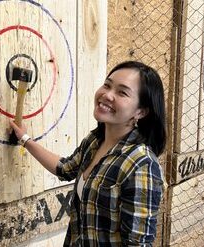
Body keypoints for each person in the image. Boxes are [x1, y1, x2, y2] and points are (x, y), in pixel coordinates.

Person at [10, 60, 167, 246]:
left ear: (141, 112)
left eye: (122, 92)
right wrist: (25, 139)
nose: (107, 95)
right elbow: (65, 168)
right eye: (107, 85)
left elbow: (137, 244)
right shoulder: (95, 141)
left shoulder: (142, 164)